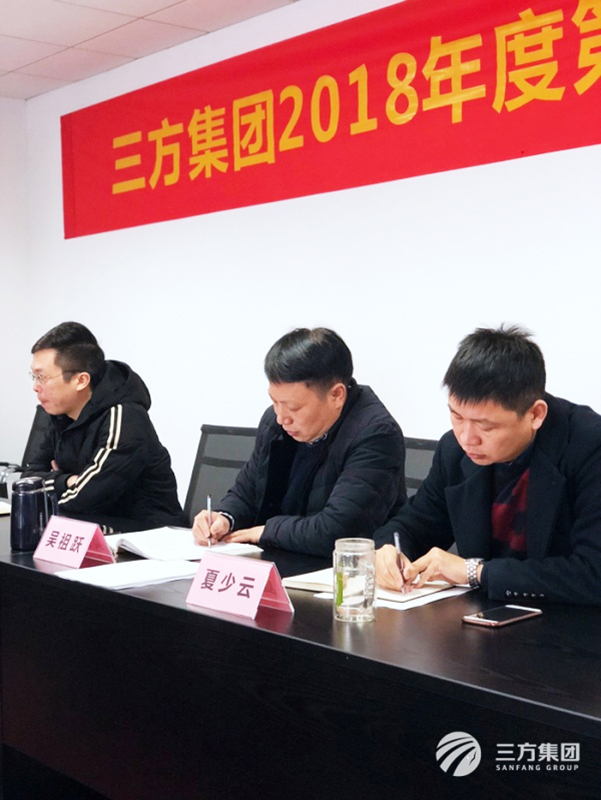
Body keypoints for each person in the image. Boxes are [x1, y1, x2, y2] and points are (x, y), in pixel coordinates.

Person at [375, 325, 601, 605]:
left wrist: (476, 573)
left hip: (571, 623)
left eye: (486, 426)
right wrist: (388, 550)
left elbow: (592, 573)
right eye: (457, 417)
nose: (467, 438)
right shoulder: (454, 451)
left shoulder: (589, 447)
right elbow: (412, 525)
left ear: (535, 415)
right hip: (485, 616)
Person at [193, 327, 406, 557]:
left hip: (333, 569)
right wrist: (224, 517)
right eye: (275, 402)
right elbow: (247, 491)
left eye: (293, 407)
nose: (281, 417)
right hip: (279, 557)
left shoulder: (376, 435)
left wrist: (266, 531)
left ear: (336, 395)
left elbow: (338, 531)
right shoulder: (275, 423)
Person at [24, 321, 186, 532]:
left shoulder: (125, 418)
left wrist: (54, 484)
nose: (35, 387)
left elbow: (85, 498)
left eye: (42, 377)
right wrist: (69, 481)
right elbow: (27, 481)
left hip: (145, 537)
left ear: (81, 380)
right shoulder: (60, 415)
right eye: (34, 376)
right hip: (90, 528)